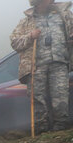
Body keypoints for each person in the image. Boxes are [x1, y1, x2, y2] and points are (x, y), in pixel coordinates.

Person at [11, 0, 73, 132]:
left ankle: (60, 128)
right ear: (37, 3)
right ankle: (41, 130)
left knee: (60, 95)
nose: (50, 1)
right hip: (36, 66)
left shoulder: (65, 16)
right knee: (38, 98)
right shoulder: (26, 21)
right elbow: (15, 42)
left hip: (59, 62)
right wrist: (30, 36)